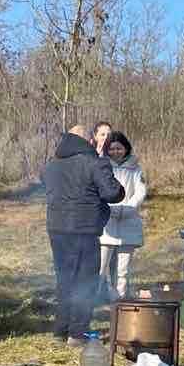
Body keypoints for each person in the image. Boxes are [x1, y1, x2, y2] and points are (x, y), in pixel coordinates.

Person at [43, 124, 125, 343]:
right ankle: (78, 333)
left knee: (64, 279)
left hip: (57, 230)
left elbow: (46, 188)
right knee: (85, 281)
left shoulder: (51, 165)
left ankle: (60, 330)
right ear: (89, 141)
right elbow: (113, 193)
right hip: (84, 230)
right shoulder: (95, 163)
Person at [98, 131, 147, 301]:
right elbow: (99, 191)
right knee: (101, 267)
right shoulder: (102, 167)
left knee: (123, 269)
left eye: (119, 148)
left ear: (126, 149)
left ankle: (120, 299)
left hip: (128, 220)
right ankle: (98, 298)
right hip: (107, 222)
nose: (116, 152)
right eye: (112, 149)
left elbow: (140, 192)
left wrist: (129, 207)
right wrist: (109, 208)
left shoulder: (135, 169)